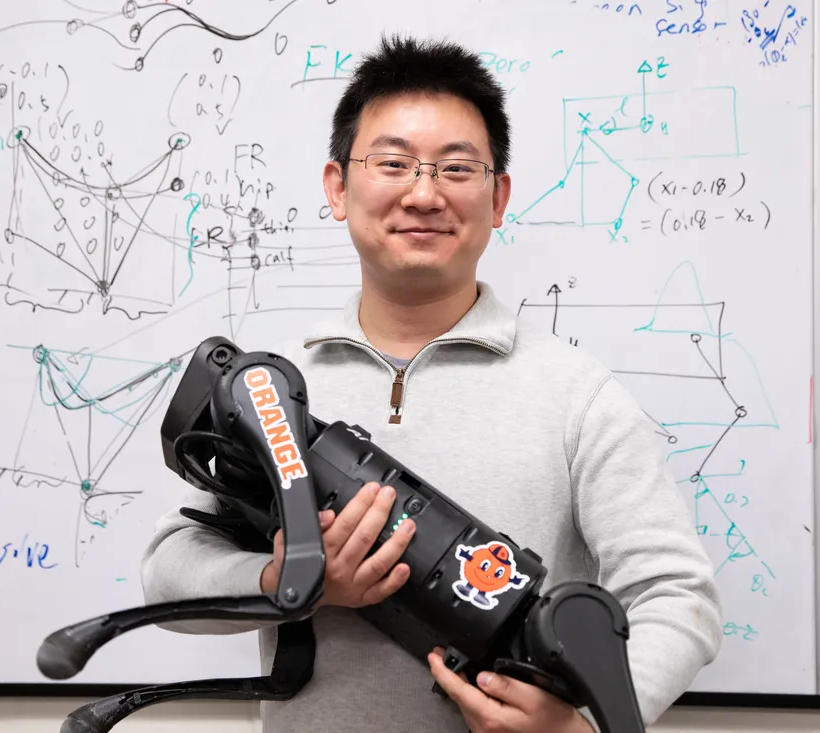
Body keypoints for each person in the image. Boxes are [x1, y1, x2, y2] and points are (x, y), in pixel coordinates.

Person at [141, 34, 723, 733]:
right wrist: (291, 578)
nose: (423, 193)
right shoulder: (273, 388)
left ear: (498, 196)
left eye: (456, 168)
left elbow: (676, 592)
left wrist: (583, 724)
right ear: (338, 186)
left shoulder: (577, 394)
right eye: (392, 163)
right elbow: (170, 567)